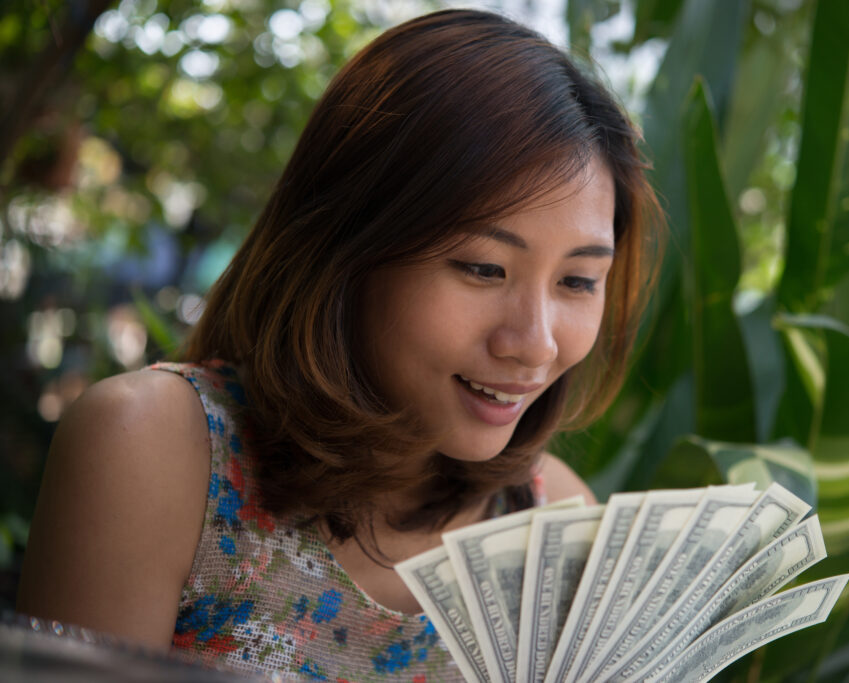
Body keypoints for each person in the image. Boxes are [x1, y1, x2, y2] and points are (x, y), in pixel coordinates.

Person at [16, 8, 663, 681]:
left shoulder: (551, 526)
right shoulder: (156, 452)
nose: (533, 343)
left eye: (579, 281)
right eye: (483, 268)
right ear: (350, 249)